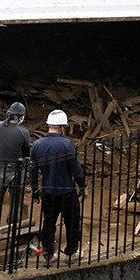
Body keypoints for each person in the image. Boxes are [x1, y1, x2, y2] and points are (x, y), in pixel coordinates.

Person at [29, 110, 86, 264]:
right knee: (72, 222)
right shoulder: (67, 144)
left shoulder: (37, 145)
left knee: (48, 222)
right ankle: (72, 251)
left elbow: (33, 170)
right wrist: (82, 185)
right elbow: (76, 169)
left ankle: (48, 253)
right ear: (62, 127)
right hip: (67, 190)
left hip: (48, 192)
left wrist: (35, 189)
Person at [0, 102, 30, 231]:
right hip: (17, 169)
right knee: (16, 201)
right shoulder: (23, 132)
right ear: (21, 117)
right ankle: (12, 227)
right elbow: (26, 152)